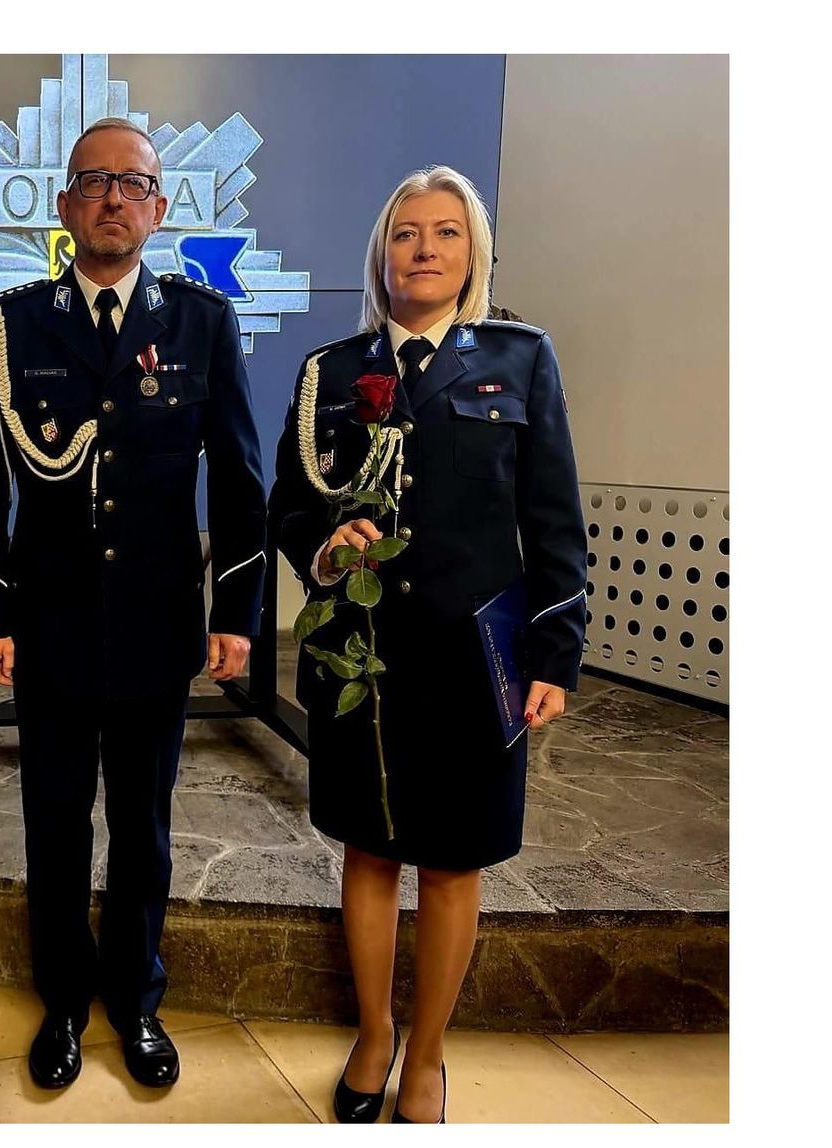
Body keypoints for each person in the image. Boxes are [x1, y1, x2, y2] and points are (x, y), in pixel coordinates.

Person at [267, 166, 586, 1123]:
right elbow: (290, 504)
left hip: (473, 663)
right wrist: (324, 551)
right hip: (359, 659)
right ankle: (374, 1036)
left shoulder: (521, 359)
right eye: (406, 233)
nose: (424, 249)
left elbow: (554, 520)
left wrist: (555, 655)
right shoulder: (329, 373)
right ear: (382, 254)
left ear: (473, 251)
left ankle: (429, 1057)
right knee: (368, 853)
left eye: (446, 232)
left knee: (452, 864)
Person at [0, 117, 267, 1090]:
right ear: (64, 205)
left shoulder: (201, 323)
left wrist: (237, 613)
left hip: (155, 621)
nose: (112, 199)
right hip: (48, 623)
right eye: (93, 182)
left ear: (159, 208)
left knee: (142, 826)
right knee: (55, 822)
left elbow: (242, 480)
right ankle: (61, 1000)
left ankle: (136, 998)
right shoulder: (14, 324)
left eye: (132, 183)